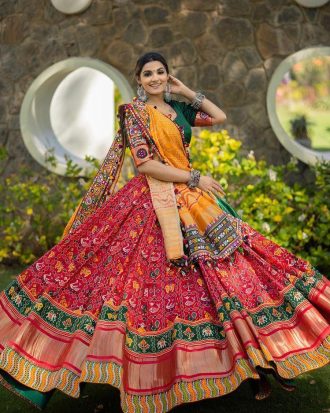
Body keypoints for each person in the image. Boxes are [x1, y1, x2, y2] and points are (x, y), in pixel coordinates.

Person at [0, 51, 329, 413]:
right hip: (151, 202)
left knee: (228, 272)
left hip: (192, 201)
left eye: (161, 72)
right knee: (129, 281)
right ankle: (153, 370)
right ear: (138, 80)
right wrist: (195, 177)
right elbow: (144, 164)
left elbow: (218, 117)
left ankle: (254, 358)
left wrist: (187, 91)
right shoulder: (136, 115)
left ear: (168, 76)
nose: (155, 78)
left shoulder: (179, 109)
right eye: (148, 74)